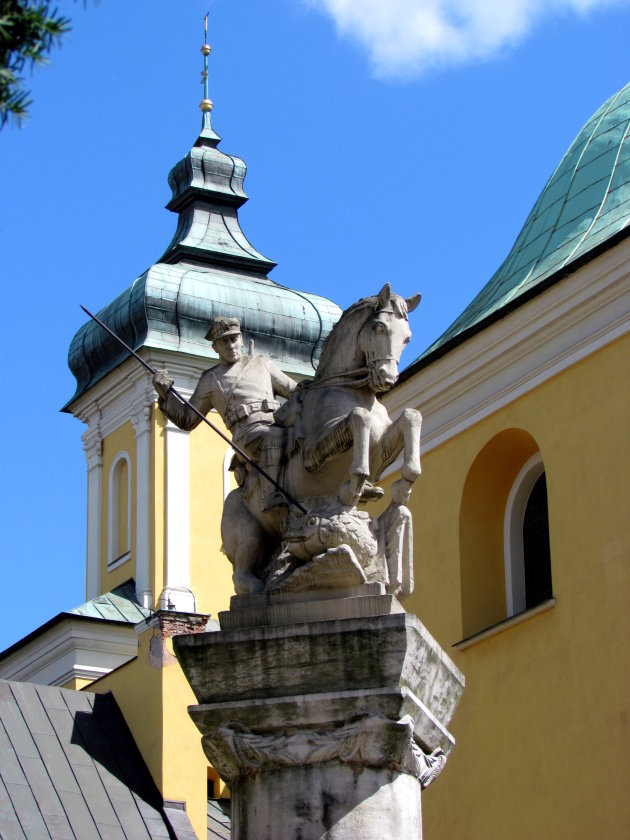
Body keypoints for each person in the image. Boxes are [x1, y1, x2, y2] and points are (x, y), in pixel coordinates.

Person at [153, 316, 297, 500]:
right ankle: (271, 497)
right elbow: (187, 418)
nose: (230, 345)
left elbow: (294, 391)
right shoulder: (210, 380)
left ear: (241, 339)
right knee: (274, 438)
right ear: (215, 347)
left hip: (277, 423)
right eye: (223, 342)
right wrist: (166, 394)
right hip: (248, 435)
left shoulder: (263, 364)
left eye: (234, 339)